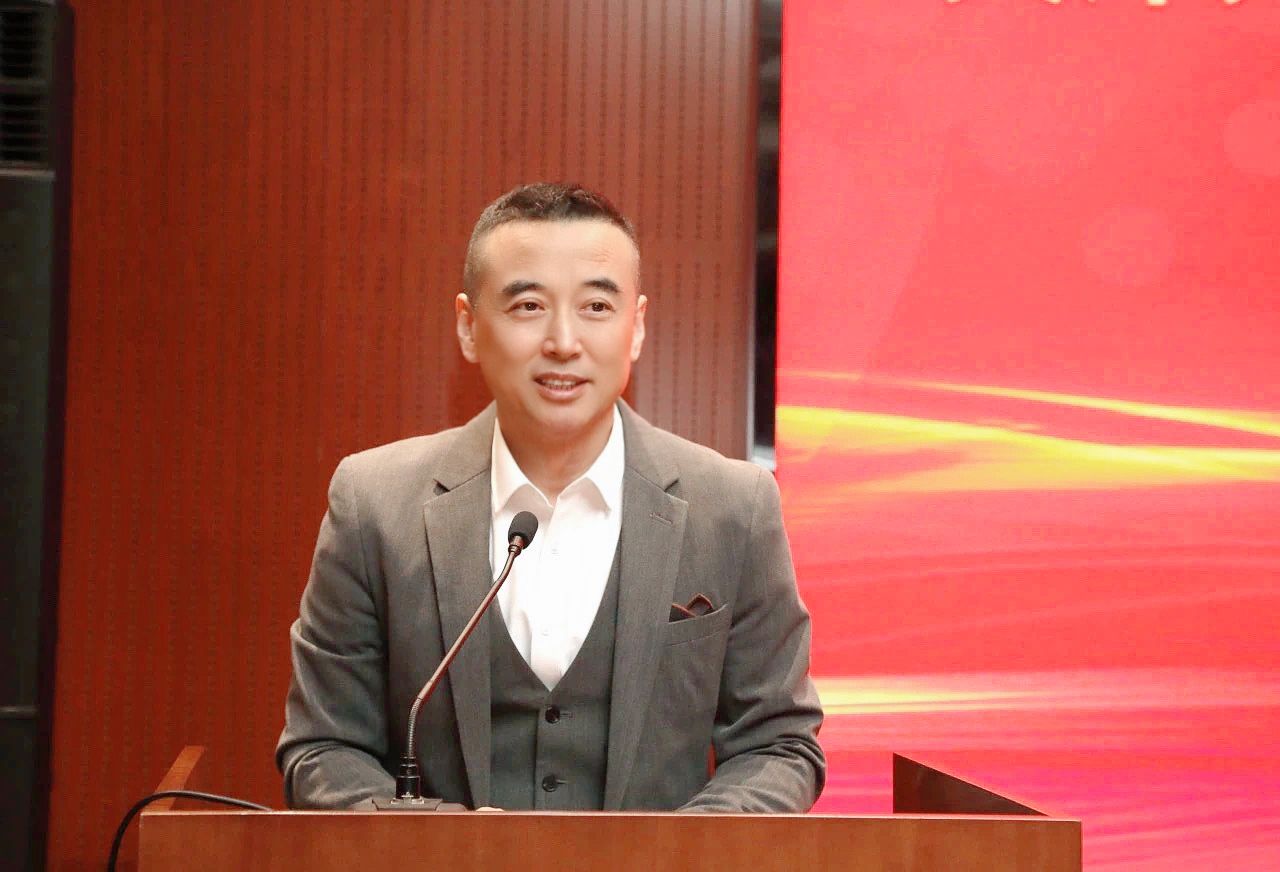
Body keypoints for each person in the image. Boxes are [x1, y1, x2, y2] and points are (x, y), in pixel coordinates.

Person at [276, 183, 824, 812]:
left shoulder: (733, 508)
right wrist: (447, 846)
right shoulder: (374, 504)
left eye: (596, 306)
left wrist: (672, 853)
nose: (564, 341)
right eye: (529, 305)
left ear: (637, 326)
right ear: (468, 327)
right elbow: (323, 748)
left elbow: (779, 745)